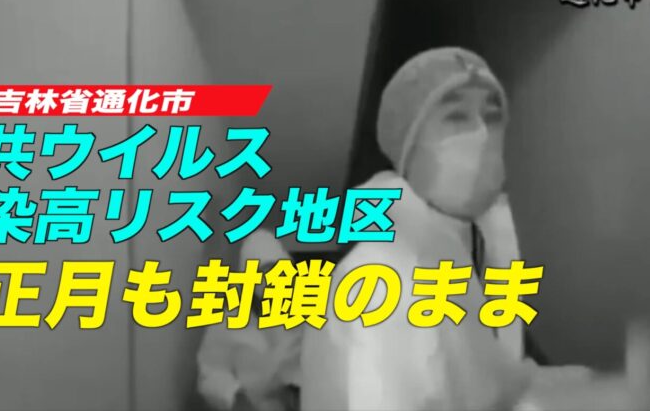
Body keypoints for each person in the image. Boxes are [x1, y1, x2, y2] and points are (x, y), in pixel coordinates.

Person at [300, 47, 593, 410]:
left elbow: (493, 381)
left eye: (492, 116)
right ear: (408, 144)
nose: (481, 134)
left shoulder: (466, 249)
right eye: (456, 117)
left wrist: (589, 389)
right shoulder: (379, 278)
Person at [197, 229, 302, 411]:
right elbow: (210, 374)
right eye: (262, 273)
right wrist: (234, 396)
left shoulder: (303, 317)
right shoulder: (226, 322)